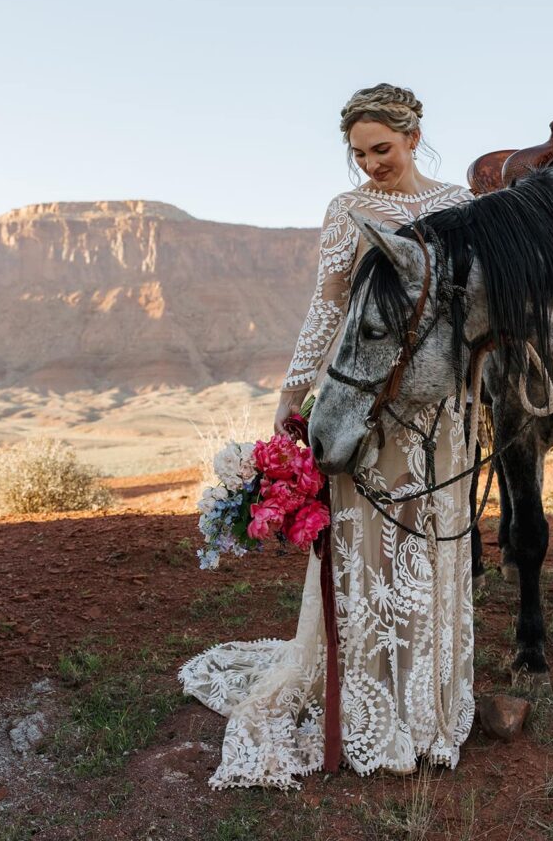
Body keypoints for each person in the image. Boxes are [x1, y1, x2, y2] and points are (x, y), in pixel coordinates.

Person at [178, 83, 476, 790]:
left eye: (381, 148)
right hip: (366, 406)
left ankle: (430, 705)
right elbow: (326, 307)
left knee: (433, 545)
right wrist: (289, 402)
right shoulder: (348, 212)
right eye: (358, 153)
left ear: (411, 135)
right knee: (368, 548)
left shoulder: (462, 207)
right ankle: (371, 707)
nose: (371, 163)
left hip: (443, 414)